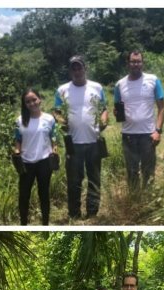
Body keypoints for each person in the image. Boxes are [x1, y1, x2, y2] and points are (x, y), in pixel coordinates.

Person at [54, 56, 108, 219]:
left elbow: (104, 108)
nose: (77, 71)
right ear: (70, 71)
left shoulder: (96, 87)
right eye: (74, 68)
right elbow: (56, 111)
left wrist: (104, 118)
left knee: (94, 178)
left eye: (79, 68)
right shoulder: (62, 90)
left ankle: (92, 212)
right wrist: (61, 120)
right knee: (74, 180)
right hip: (73, 142)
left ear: (85, 68)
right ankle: (74, 213)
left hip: (94, 140)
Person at [113, 51, 164, 191]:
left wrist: (158, 130)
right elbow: (117, 108)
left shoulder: (153, 80)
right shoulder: (119, 84)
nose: (136, 64)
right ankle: (135, 201)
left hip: (148, 134)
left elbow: (161, 107)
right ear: (127, 63)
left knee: (148, 171)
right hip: (128, 135)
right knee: (131, 172)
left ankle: (148, 201)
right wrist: (116, 112)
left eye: (138, 61)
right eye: (133, 61)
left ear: (142, 63)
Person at [14, 89, 58, 225]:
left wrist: (55, 151)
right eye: (28, 101)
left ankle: (45, 223)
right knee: (24, 195)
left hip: (44, 161)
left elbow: (53, 138)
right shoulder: (20, 120)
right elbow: (17, 139)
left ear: (40, 99)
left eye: (34, 100)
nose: (32, 103)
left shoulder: (49, 119)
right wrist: (16, 152)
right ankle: (23, 224)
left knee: (44, 194)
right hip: (26, 163)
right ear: (24, 104)